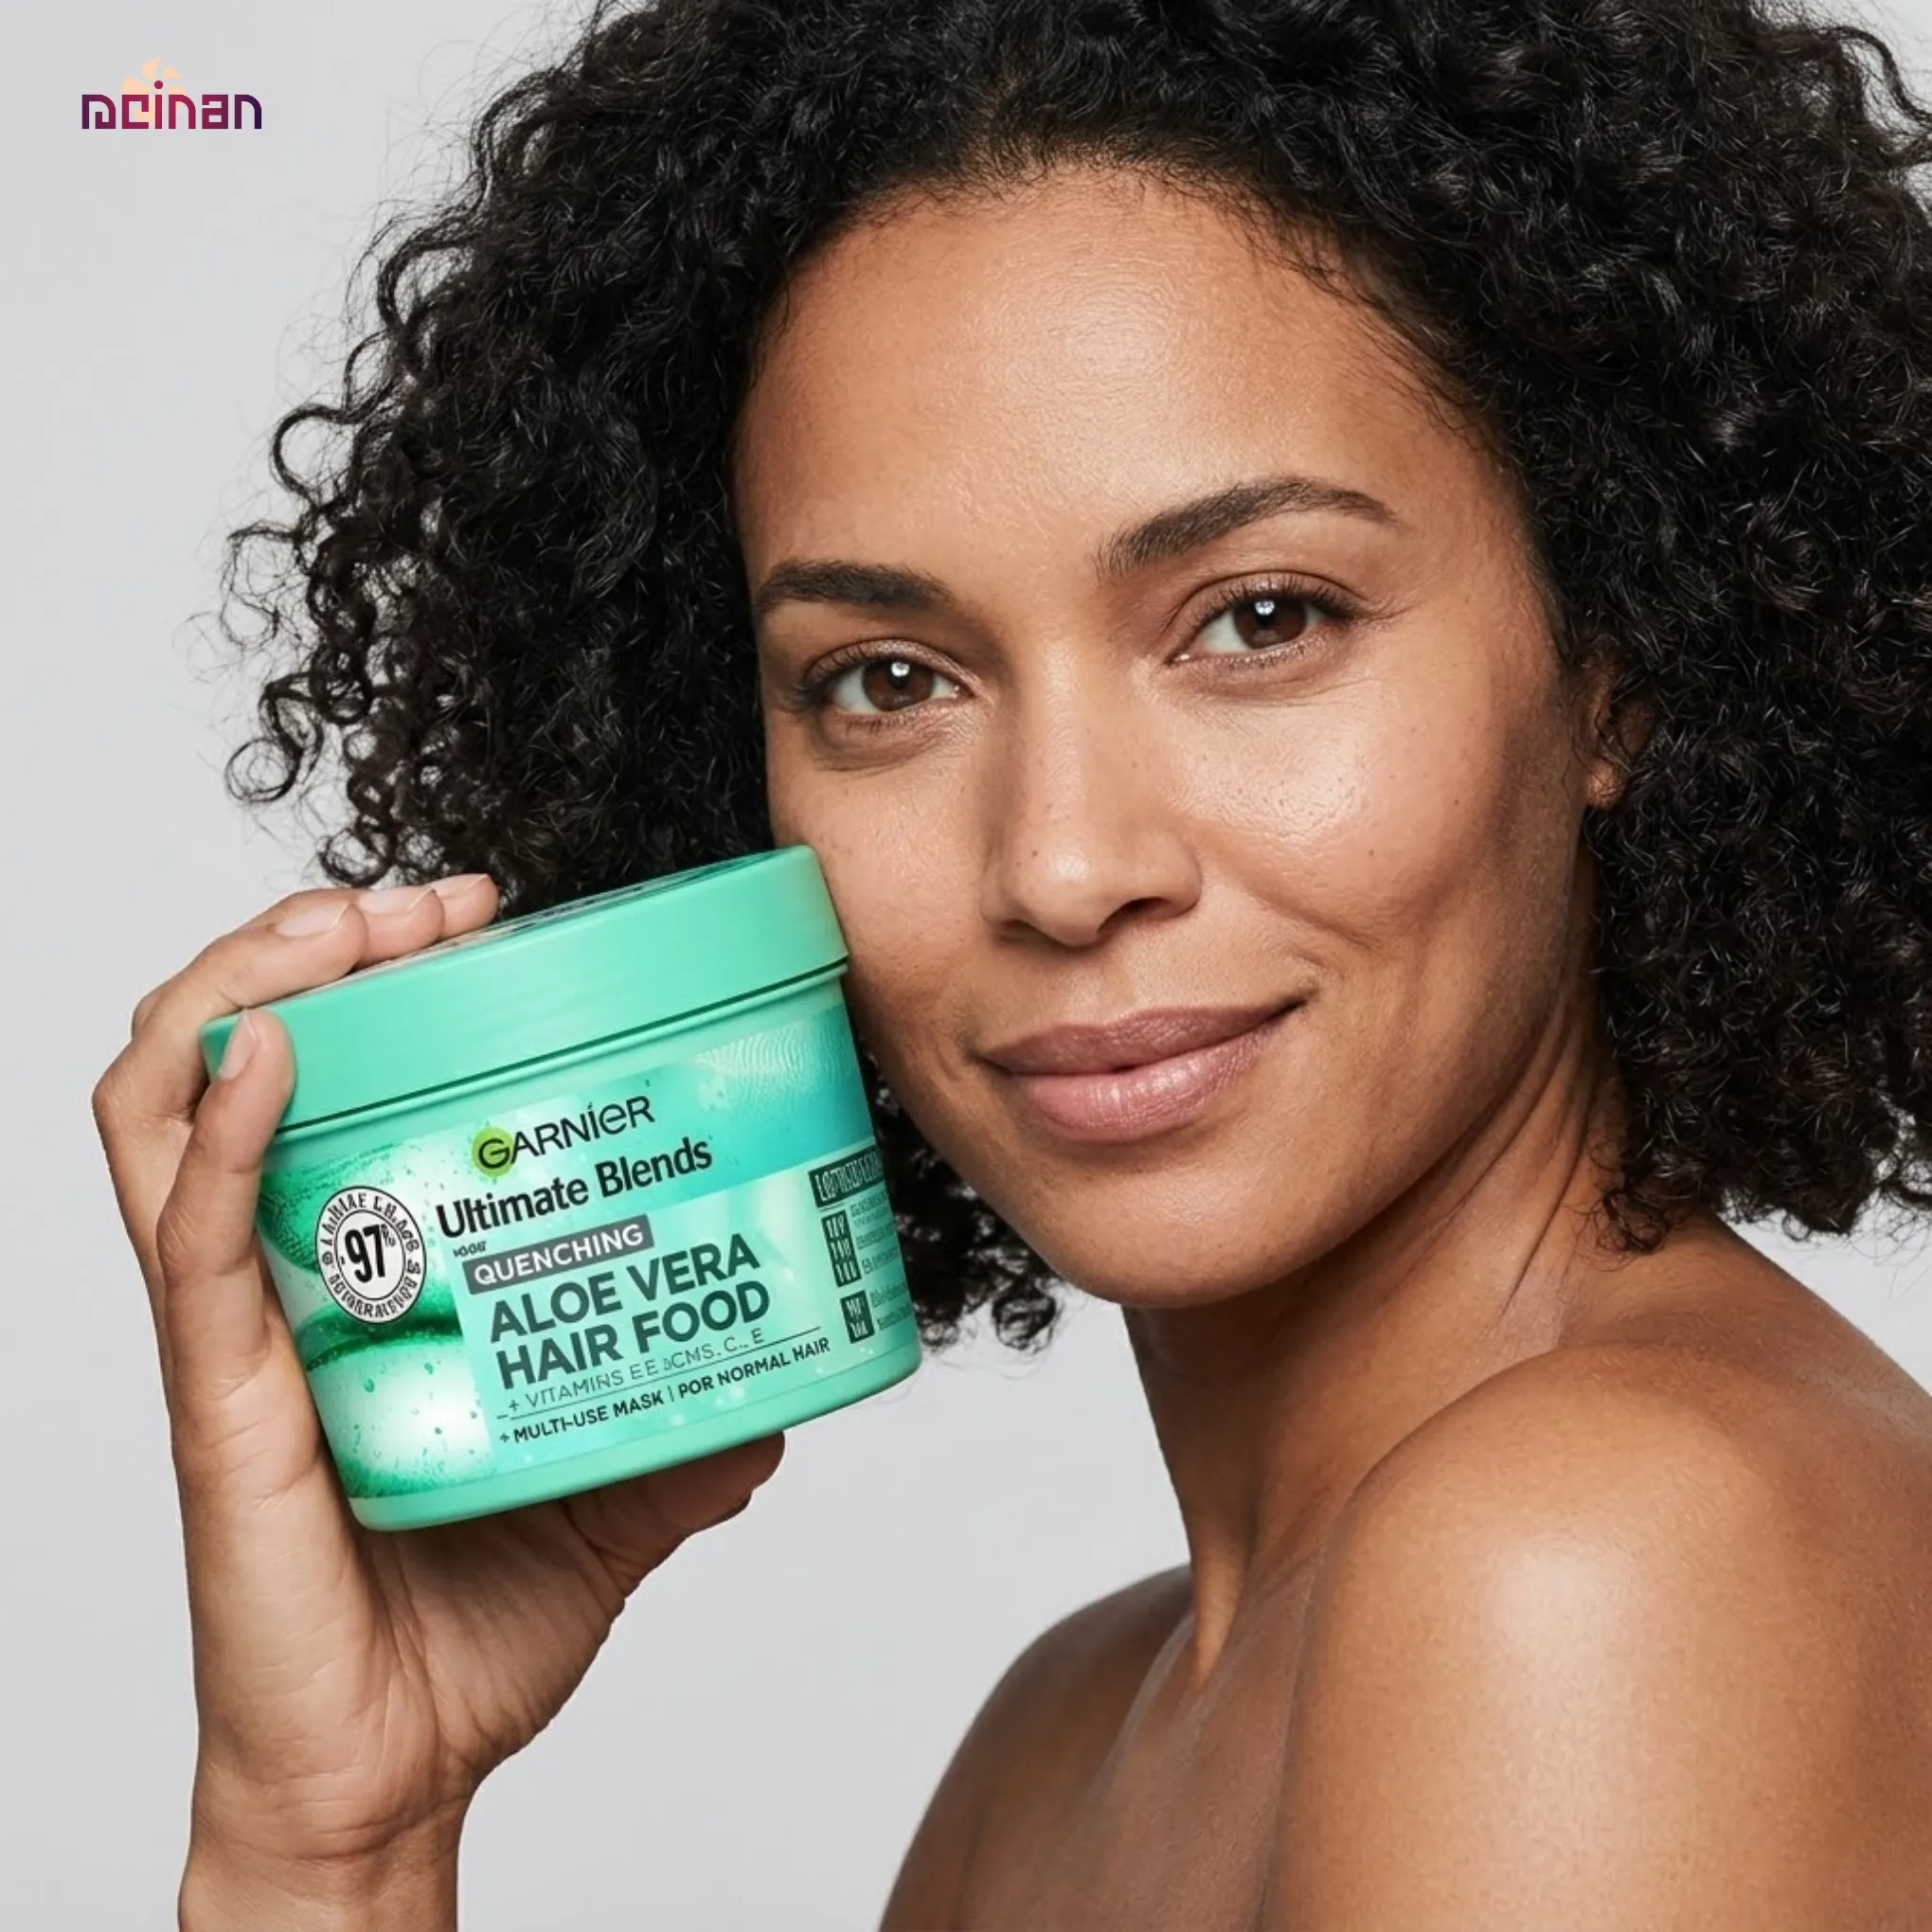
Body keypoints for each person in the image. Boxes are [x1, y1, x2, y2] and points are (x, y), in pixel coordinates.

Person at [92, 0, 1932, 1923]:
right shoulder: (1063, 1740)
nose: (1059, 865)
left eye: (1261, 620)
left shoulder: (1599, 1558)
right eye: (890, 681)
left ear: (1618, 651)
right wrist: (331, 1845)